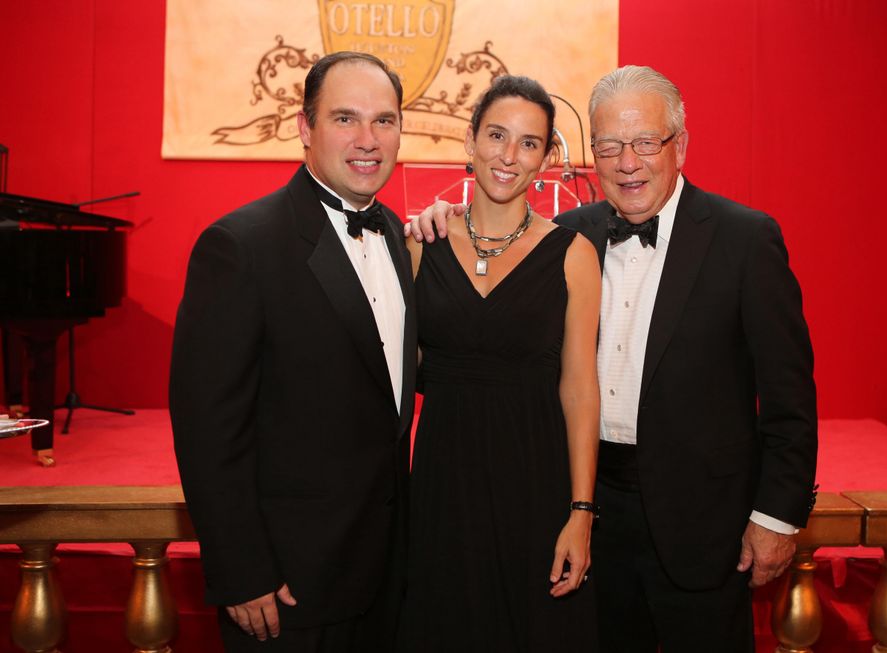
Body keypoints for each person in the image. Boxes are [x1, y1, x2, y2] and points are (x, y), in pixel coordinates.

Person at [408, 64, 818, 652]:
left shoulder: (745, 240)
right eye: (609, 146)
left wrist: (776, 517)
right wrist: (431, 222)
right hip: (582, 510)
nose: (628, 163)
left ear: (681, 145)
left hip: (702, 524)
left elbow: (790, 397)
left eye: (646, 143)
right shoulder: (568, 239)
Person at [170, 51, 416, 653]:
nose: (368, 139)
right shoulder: (240, 247)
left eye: (384, 121)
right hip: (285, 590)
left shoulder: (400, 238)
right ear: (305, 128)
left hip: (388, 576)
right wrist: (241, 570)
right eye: (345, 119)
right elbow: (208, 429)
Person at [399, 75, 602, 652]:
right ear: (469, 141)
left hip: (536, 488)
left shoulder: (573, 255)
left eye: (529, 143)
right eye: (496, 135)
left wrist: (581, 512)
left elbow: (581, 390)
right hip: (442, 488)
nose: (509, 156)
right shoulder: (421, 242)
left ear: (546, 158)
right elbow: (393, 369)